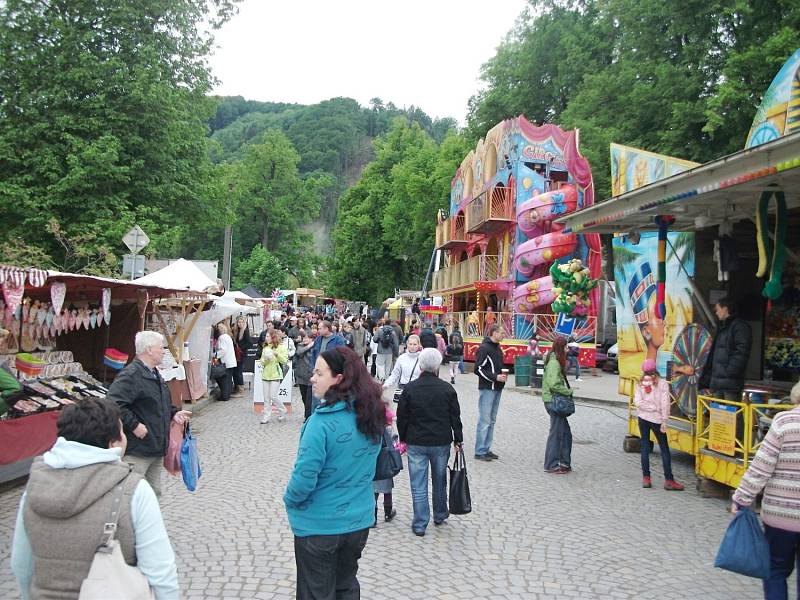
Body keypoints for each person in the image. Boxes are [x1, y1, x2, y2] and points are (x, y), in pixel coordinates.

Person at [10, 398, 180, 599]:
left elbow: (21, 564)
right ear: (112, 443)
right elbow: (160, 571)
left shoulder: (35, 485)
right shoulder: (133, 489)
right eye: (122, 432)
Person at [284, 346, 385, 600]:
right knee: (345, 586)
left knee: (316, 592)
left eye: (319, 373)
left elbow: (303, 479)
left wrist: (290, 500)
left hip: (320, 526)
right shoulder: (370, 414)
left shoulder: (319, 424)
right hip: (358, 523)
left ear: (338, 378)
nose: (312, 378)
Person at [731, 381, 800, 599]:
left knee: (775, 570)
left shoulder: (783, 422)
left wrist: (741, 499)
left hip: (781, 516)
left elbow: (761, 467)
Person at [107, 330, 191, 497]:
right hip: (138, 449)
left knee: (153, 493)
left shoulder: (153, 372)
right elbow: (112, 403)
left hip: (155, 446)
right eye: (161, 347)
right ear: (149, 349)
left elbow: (156, 402)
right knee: (131, 494)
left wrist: (173, 413)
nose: (163, 351)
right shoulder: (131, 374)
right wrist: (134, 424)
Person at [397, 348, 463, 537]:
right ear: (437, 366)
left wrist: (403, 437)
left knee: (418, 484)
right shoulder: (447, 389)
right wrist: (458, 439)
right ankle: (440, 513)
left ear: (420, 365)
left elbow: (402, 417)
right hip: (440, 441)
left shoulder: (410, 389)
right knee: (439, 479)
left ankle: (420, 523)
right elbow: (455, 417)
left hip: (416, 441)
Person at [634, 359, 684, 490]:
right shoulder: (662, 384)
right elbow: (665, 404)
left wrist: (648, 407)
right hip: (657, 420)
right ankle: (669, 480)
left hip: (642, 418)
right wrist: (663, 419)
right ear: (655, 369)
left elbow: (638, 402)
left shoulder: (640, 384)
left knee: (644, 446)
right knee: (664, 449)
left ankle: (646, 478)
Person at [705, 297, 753, 401]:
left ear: (725, 309)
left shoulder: (739, 326)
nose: (716, 313)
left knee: (732, 413)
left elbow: (742, 351)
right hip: (718, 381)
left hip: (730, 382)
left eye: (717, 309)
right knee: (718, 414)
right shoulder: (722, 327)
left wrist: (730, 371)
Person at [473, 324, 507, 461]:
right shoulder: (484, 348)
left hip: (497, 388)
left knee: (491, 421)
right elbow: (478, 369)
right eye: (502, 333)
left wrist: (502, 377)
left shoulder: (497, 348)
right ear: (494, 333)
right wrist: (495, 377)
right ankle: (480, 450)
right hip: (487, 388)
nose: (504, 335)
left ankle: (486, 448)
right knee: (485, 420)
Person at [541, 336, 573, 474]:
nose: (568, 349)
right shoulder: (554, 363)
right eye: (566, 347)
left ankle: (564, 462)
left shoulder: (554, 359)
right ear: (562, 348)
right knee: (557, 433)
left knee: (565, 433)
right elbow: (554, 384)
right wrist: (568, 391)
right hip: (554, 401)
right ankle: (551, 464)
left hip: (552, 400)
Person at [310, 320, 347, 410]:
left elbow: (342, 355)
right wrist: (313, 368)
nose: (318, 330)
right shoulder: (318, 339)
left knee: (329, 394)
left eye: (320, 328)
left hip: (330, 372)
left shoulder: (338, 340)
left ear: (327, 328)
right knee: (316, 396)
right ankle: (314, 415)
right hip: (318, 371)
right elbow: (313, 354)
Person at [260, 330, 288, 424]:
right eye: (266, 336)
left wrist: (277, 354)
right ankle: (266, 416)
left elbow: (284, 360)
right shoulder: (266, 348)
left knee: (273, 396)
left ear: (273, 337)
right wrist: (265, 359)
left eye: (268, 336)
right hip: (266, 375)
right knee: (266, 397)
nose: (266, 338)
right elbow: (262, 362)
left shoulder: (281, 347)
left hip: (276, 374)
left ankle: (282, 410)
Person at [294, 331, 314, 421]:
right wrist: (309, 346)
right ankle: (308, 412)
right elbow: (299, 353)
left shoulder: (315, 348)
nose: (305, 340)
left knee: (309, 399)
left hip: (310, 375)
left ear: (311, 339)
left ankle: (308, 416)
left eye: (307, 338)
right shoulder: (300, 346)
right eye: (304, 338)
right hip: (302, 376)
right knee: (304, 396)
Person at [214, 323, 237, 400]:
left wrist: (216, 355)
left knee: (225, 380)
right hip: (231, 361)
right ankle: (227, 395)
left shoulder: (222, 338)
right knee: (228, 380)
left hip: (226, 362)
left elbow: (223, 350)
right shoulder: (227, 336)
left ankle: (225, 396)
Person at [232, 316, 252, 397]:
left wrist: (241, 348)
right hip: (237, 354)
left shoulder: (245, 331)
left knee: (238, 371)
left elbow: (249, 343)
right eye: (239, 322)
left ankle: (241, 390)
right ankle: (237, 388)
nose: (240, 324)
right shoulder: (236, 330)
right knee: (235, 371)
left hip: (241, 354)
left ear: (244, 323)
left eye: (242, 322)